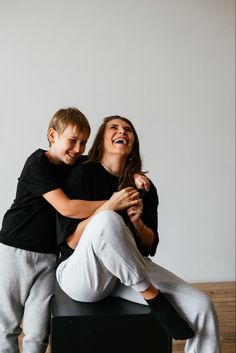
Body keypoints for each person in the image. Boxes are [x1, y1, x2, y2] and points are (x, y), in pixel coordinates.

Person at [55, 115, 222, 352]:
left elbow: (149, 246)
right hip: (83, 274)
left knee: (201, 304)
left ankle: (150, 292)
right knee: (107, 219)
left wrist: (138, 225)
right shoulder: (81, 175)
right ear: (101, 140)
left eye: (128, 129)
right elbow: (71, 241)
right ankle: (151, 296)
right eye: (113, 127)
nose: (122, 131)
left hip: (127, 270)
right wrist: (110, 206)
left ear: (132, 142)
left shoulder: (143, 186)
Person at [0, 107, 149, 353]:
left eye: (83, 143)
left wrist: (134, 174)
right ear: (52, 135)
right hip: (15, 250)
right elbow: (66, 208)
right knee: (7, 324)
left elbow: (107, 164)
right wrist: (112, 203)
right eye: (72, 141)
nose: (78, 149)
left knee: (38, 331)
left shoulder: (77, 164)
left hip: (50, 256)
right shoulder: (37, 164)